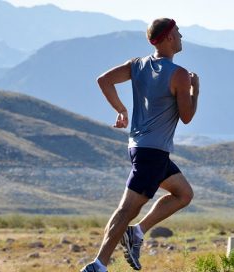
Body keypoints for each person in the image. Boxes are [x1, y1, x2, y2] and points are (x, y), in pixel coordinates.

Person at [80, 18, 199, 272]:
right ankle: (98, 264)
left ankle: (137, 233)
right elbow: (187, 117)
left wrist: (121, 110)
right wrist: (194, 92)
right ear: (168, 38)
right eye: (178, 33)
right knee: (126, 210)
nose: (181, 37)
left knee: (183, 194)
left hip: (140, 147)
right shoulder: (179, 75)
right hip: (153, 152)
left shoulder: (137, 65)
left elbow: (104, 80)